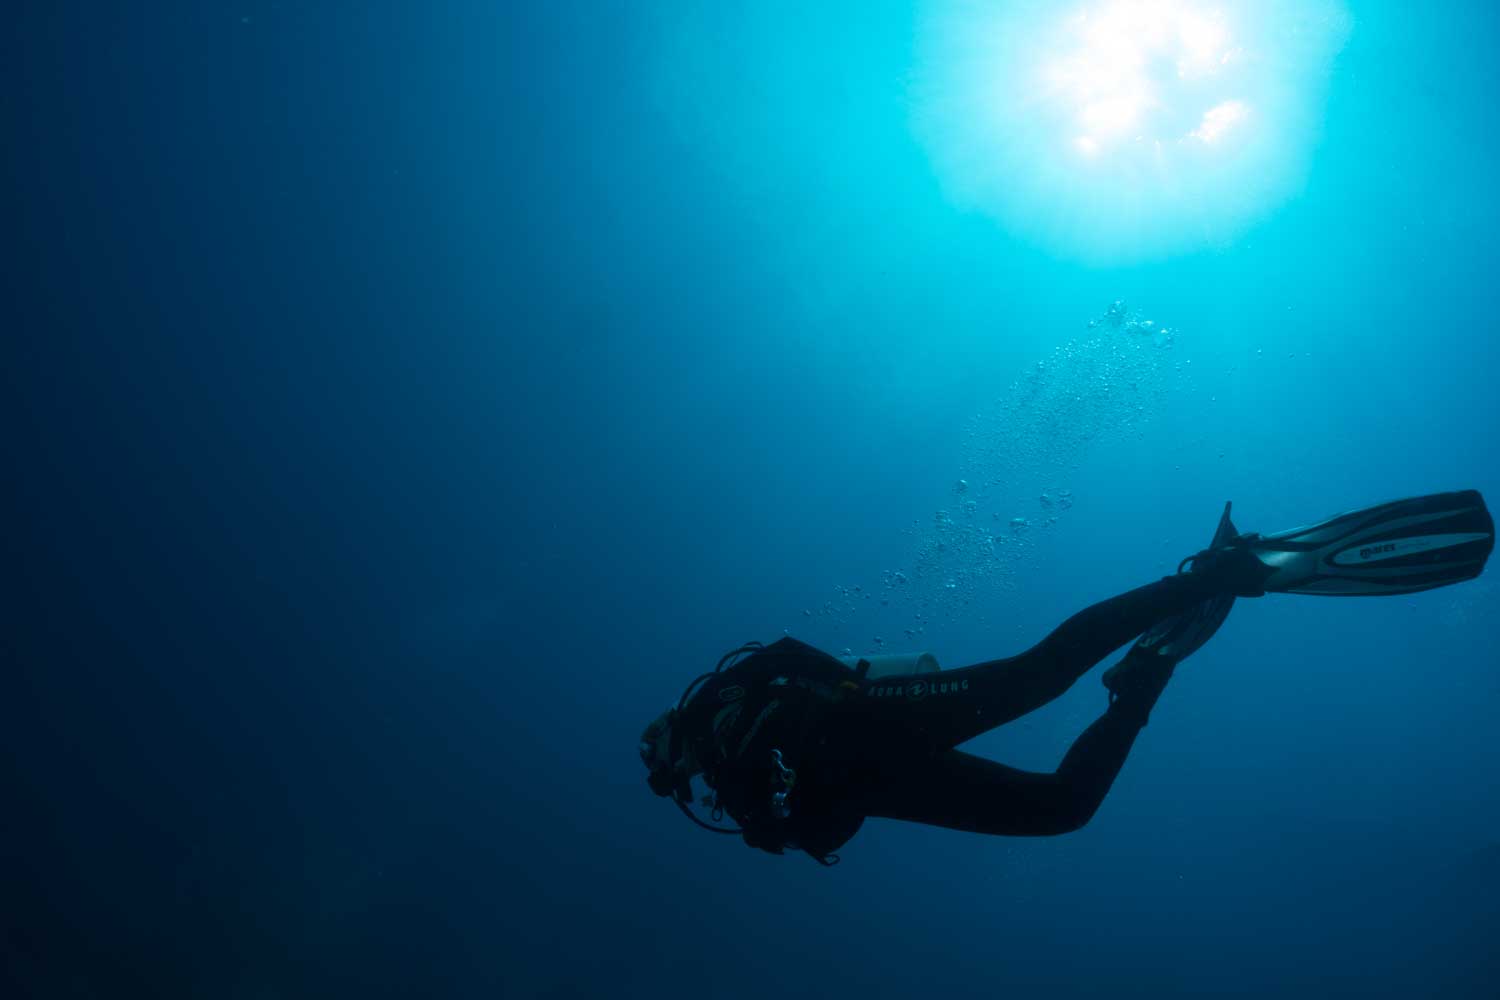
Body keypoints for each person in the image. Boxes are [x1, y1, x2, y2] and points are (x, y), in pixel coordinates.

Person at [639, 491, 1494, 866]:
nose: (678, 779)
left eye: (666, 763)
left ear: (673, 745)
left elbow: (786, 654)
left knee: (1039, 681)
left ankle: (1207, 577)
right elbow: (836, 820)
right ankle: (1148, 671)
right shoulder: (742, 783)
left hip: (857, 727)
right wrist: (789, 827)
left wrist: (840, 705)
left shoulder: (726, 713)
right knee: (1059, 802)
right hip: (870, 758)